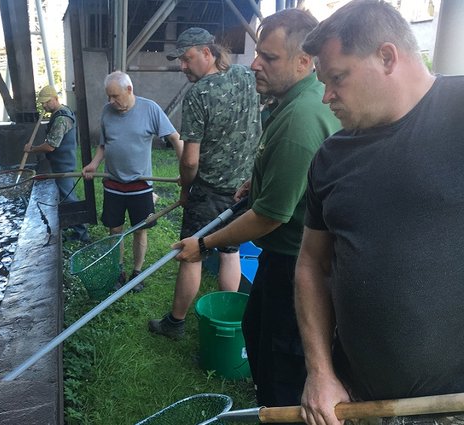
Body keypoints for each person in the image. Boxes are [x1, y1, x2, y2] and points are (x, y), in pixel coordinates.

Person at [294, 1, 464, 424]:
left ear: (387, 57)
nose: (326, 95)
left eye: (337, 78)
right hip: (358, 400)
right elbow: (312, 264)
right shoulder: (330, 158)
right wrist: (320, 372)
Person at [162, 11, 341, 409]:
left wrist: (203, 242)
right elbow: (288, 173)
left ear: (304, 61)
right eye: (258, 53)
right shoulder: (292, 99)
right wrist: (258, 182)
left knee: (281, 361)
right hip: (286, 253)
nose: (255, 64)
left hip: (294, 260)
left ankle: (279, 408)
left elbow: (270, 216)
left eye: (270, 58)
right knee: (255, 327)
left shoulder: (299, 119)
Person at [148, 28, 262, 339]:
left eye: (187, 58)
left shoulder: (198, 94)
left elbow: (189, 160)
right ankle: (231, 317)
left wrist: (186, 188)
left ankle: (175, 323)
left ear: (207, 53)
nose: (183, 66)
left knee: (192, 254)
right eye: (180, 60)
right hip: (243, 190)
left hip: (209, 190)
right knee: (230, 251)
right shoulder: (246, 76)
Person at [82, 71, 183, 292]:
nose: (111, 101)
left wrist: (185, 169)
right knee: (115, 230)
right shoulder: (107, 111)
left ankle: (137, 273)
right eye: (108, 96)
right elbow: (103, 145)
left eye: (115, 96)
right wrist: (94, 164)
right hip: (113, 183)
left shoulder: (150, 109)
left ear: (129, 89)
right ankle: (119, 271)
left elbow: (175, 138)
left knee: (139, 229)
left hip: (140, 185)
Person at [24, 85, 89, 242]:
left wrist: (32, 149)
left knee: (68, 197)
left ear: (55, 98)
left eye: (46, 102)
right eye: (42, 103)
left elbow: (50, 146)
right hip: (62, 162)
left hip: (63, 164)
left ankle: (81, 233)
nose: (44, 106)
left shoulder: (61, 119)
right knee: (64, 195)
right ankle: (67, 225)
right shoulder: (62, 111)